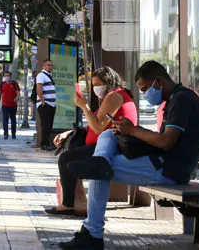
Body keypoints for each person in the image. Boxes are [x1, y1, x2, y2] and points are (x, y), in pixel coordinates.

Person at [58, 61, 199, 249]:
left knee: (98, 170)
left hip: (169, 169)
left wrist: (134, 131)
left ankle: (93, 234)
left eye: (145, 88)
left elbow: (167, 141)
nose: (145, 94)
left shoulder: (182, 100)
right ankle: (100, 161)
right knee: (107, 137)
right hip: (160, 161)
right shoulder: (175, 99)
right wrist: (129, 130)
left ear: (158, 82)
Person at [45, 66, 138, 217]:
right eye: (93, 85)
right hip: (103, 144)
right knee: (69, 155)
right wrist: (68, 132)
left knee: (66, 158)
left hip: (111, 146)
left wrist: (84, 106)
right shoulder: (111, 96)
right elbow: (92, 123)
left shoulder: (115, 96)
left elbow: (98, 127)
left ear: (108, 82)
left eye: (97, 84)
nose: (96, 89)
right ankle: (73, 201)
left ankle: (68, 204)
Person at [36, 59, 57, 150]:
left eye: (51, 65)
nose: (50, 67)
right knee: (45, 125)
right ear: (43, 66)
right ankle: (44, 144)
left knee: (49, 125)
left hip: (51, 104)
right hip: (45, 104)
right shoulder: (41, 75)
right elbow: (39, 88)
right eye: (48, 65)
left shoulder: (49, 76)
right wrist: (42, 101)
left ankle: (48, 143)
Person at [0, 71, 20, 139]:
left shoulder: (14, 83)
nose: (7, 77)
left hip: (13, 105)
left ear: (10, 76)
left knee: (13, 120)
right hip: (5, 105)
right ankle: (5, 133)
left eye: (8, 75)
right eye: (5, 75)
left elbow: (18, 93)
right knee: (5, 119)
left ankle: (13, 133)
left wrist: (17, 98)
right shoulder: (2, 84)